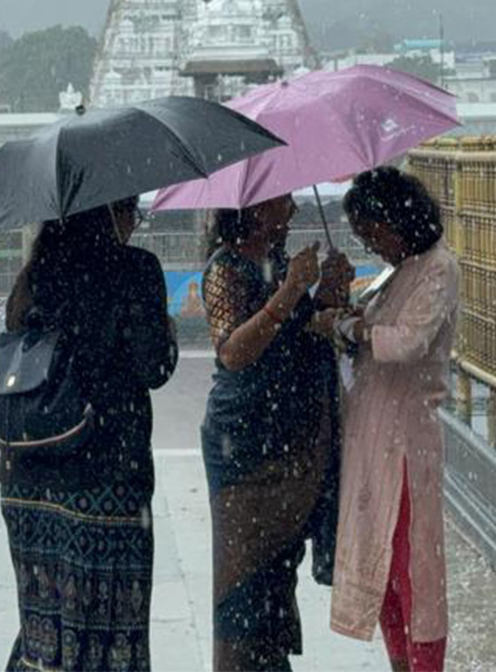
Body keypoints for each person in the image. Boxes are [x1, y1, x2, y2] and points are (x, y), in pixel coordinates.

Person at [0, 196, 178, 672]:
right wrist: (167, 331)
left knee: (45, 630)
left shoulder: (33, 275)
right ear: (109, 214)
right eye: (131, 212)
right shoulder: (135, 269)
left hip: (29, 482)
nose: (133, 224)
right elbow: (154, 366)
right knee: (108, 633)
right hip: (105, 478)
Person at [200, 194, 353, 671]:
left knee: (275, 578)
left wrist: (327, 291)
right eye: (282, 201)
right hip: (246, 445)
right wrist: (289, 291)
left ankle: (268, 662)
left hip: (291, 440)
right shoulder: (225, 269)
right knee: (244, 579)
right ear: (254, 208)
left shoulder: (279, 262)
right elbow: (233, 352)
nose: (292, 210)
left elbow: (298, 334)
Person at [330, 167, 459, 672]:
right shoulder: (398, 271)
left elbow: (407, 342)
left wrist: (358, 329)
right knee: (382, 566)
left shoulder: (437, 268)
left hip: (405, 444)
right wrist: (346, 315)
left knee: (415, 570)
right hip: (371, 440)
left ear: (397, 219)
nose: (372, 244)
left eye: (373, 232)